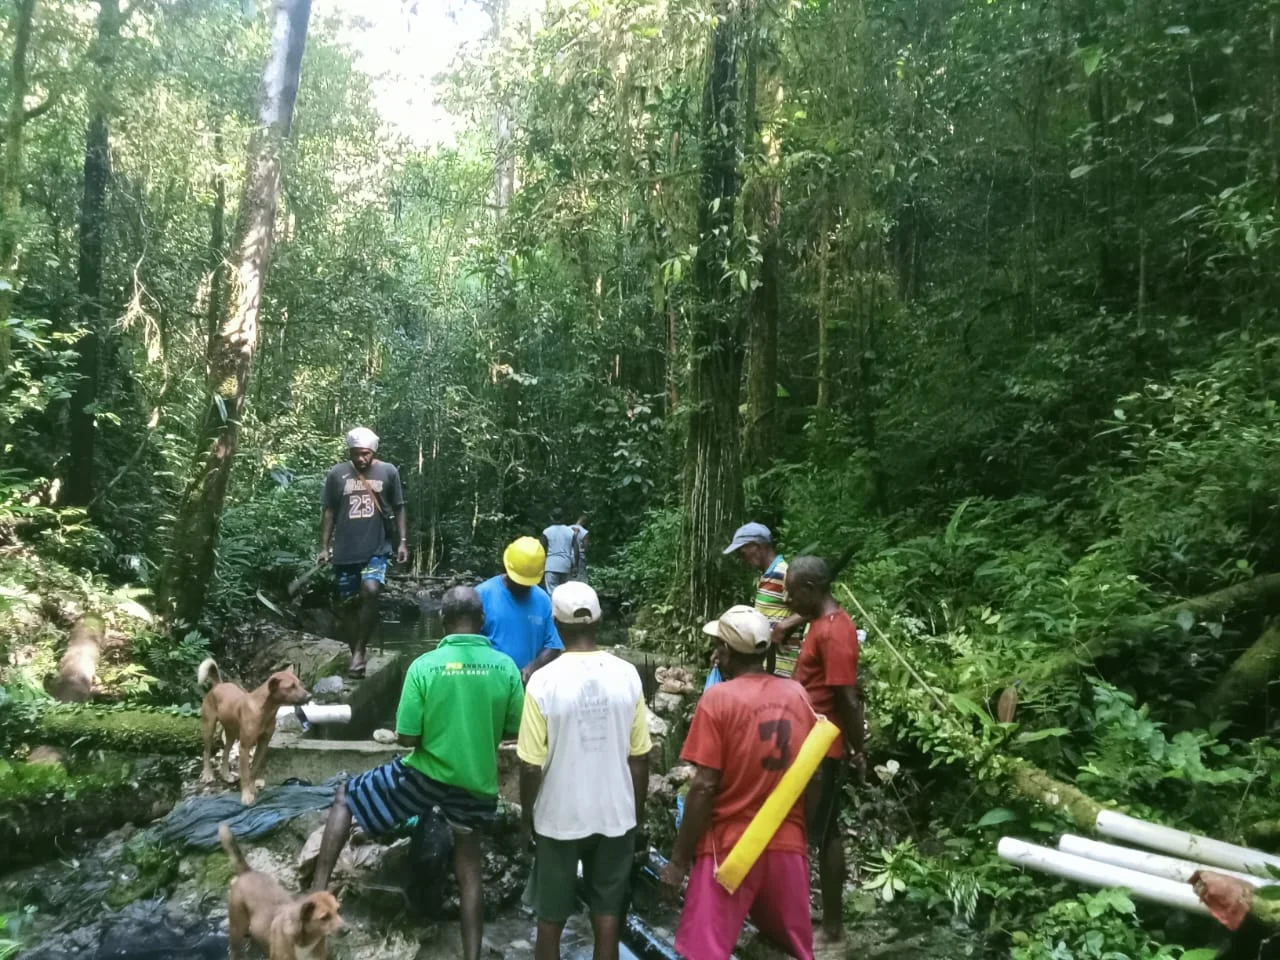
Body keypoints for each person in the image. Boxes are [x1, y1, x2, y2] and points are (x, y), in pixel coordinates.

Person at [310, 586, 523, 960]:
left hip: (424, 778)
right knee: (469, 871)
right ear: (482, 620)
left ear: (442, 620)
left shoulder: (424, 666)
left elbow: (407, 737)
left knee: (346, 795)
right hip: (476, 786)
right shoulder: (505, 667)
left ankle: (316, 893)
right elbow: (513, 729)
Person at [660, 605, 817, 960]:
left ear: (727, 652)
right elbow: (815, 773)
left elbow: (704, 786)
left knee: (702, 952)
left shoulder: (718, 699)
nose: (716, 653)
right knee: (793, 949)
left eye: (718, 645)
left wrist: (678, 862)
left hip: (730, 851)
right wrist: (805, 832)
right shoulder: (797, 694)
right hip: (786, 845)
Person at [517, 581, 652, 960]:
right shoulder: (627, 674)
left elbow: (530, 765)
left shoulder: (543, 681)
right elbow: (640, 757)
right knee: (607, 917)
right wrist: (636, 815)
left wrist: (527, 819)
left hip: (558, 817)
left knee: (550, 919)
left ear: (556, 625)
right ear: (599, 621)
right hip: (616, 816)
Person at [786, 555, 864, 950]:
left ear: (811, 590)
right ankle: (819, 915)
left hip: (824, 745)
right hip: (810, 740)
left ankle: (833, 928)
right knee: (818, 829)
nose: (789, 601)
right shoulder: (819, 621)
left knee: (826, 831)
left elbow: (847, 698)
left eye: (792, 593)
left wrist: (859, 749)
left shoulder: (833, 632)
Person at [318, 427, 408, 677]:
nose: (361, 458)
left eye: (365, 453)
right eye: (356, 453)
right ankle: (355, 651)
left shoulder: (388, 472)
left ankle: (359, 652)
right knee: (348, 604)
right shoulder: (337, 474)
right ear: (350, 452)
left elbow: (399, 507)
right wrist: (324, 547)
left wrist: (402, 542)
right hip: (345, 550)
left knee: (371, 590)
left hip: (376, 548)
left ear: (373, 451)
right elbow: (329, 511)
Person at [722, 522, 805, 677]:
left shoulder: (782, 572)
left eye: (742, 552)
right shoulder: (768, 575)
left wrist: (783, 626)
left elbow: (811, 607)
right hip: (770, 662)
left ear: (757, 547)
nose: (742, 558)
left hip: (781, 663)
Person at [477, 537, 564, 682]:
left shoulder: (543, 600)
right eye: (518, 580)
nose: (522, 585)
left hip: (528, 685)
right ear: (507, 568)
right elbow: (468, 644)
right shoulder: (482, 595)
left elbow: (554, 645)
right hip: (490, 682)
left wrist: (534, 666)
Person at [541, 511, 577, 594]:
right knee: (564, 592)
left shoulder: (547, 531)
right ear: (563, 518)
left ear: (551, 517)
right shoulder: (570, 531)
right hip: (565, 565)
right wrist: (575, 566)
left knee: (551, 592)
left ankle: (553, 603)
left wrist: (540, 565)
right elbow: (576, 549)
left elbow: (541, 549)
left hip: (551, 565)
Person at [570, 515, 589, 582]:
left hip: (567, 556)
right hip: (580, 557)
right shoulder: (585, 532)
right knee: (581, 578)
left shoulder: (567, 528)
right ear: (584, 523)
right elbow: (586, 547)